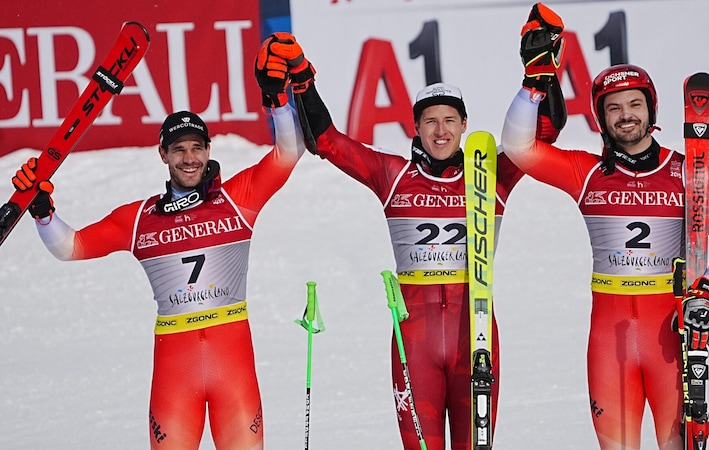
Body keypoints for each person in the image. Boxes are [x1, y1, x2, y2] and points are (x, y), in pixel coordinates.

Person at [253, 32, 563, 450]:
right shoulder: (393, 175)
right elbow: (326, 143)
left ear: (465, 126)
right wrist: (304, 81)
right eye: (430, 121)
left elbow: (545, 132)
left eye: (450, 120)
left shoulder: (491, 172)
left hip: (475, 338)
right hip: (413, 340)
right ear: (415, 126)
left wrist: (540, 73)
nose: (440, 131)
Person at [10, 38, 306, 449]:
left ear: (207, 151)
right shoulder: (138, 218)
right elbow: (70, 246)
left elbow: (289, 152)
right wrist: (43, 213)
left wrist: (276, 100)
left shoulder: (238, 199)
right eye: (179, 149)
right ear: (162, 154)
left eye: (197, 148)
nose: (189, 158)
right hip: (175, 374)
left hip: (232, 368)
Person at [500, 4, 709, 449]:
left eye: (635, 104)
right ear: (602, 118)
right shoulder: (587, 172)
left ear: (651, 109)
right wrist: (534, 82)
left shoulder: (688, 170)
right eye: (613, 108)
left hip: (670, 336)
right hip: (608, 340)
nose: (625, 115)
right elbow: (519, 148)